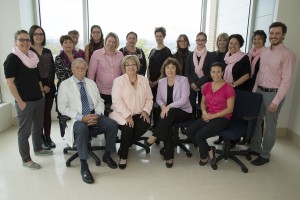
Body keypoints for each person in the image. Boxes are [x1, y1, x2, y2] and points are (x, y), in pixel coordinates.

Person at [57, 58, 119, 184]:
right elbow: (62, 107)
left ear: (86, 70)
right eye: (77, 68)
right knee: (82, 128)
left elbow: (100, 101)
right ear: (72, 70)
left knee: (112, 125)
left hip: (93, 115)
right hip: (76, 118)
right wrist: (81, 117)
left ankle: (107, 155)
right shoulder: (65, 85)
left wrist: (97, 114)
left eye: (83, 68)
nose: (80, 71)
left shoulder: (91, 83)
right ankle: (84, 165)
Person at [4, 30, 53, 170]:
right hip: (24, 101)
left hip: (38, 99)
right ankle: (26, 159)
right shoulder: (12, 59)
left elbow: (37, 78)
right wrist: (19, 102)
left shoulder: (32, 57)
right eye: (21, 39)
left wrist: (42, 93)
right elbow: (10, 83)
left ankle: (38, 149)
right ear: (15, 42)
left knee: (37, 127)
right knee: (24, 132)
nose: (25, 42)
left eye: (27, 39)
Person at [249, 22, 296, 166]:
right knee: (256, 122)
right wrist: (254, 92)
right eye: (271, 33)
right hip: (260, 91)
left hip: (273, 94)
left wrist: (276, 101)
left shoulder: (288, 54)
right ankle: (255, 148)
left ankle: (265, 154)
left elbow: (286, 80)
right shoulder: (265, 52)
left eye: (277, 33)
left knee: (270, 125)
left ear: (283, 35)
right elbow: (259, 74)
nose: (273, 36)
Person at [145, 58, 192, 168]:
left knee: (170, 114)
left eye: (173, 67)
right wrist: (163, 106)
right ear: (164, 69)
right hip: (168, 114)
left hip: (183, 111)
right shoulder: (161, 82)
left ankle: (155, 135)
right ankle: (169, 157)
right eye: (167, 67)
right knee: (168, 124)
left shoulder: (183, 80)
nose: (170, 70)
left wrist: (168, 107)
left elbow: (184, 100)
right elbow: (158, 98)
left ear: (177, 69)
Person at [186, 62, 235, 167]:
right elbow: (203, 103)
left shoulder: (228, 88)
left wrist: (212, 116)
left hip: (222, 118)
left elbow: (230, 109)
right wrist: (204, 112)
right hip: (208, 114)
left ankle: (204, 157)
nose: (215, 74)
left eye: (218, 72)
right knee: (189, 132)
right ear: (210, 73)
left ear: (222, 73)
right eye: (213, 72)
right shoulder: (207, 86)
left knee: (200, 135)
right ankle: (209, 149)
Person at [109, 55, 153, 169]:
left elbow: (149, 98)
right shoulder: (118, 81)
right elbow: (117, 101)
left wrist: (146, 111)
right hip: (120, 113)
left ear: (137, 66)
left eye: (133, 64)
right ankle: (123, 156)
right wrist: (127, 115)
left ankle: (126, 143)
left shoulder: (144, 80)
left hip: (139, 112)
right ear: (124, 67)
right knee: (128, 126)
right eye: (127, 65)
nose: (131, 67)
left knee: (145, 123)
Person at [29, 25, 56, 150]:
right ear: (31, 36)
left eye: (41, 34)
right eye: (36, 34)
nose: (39, 36)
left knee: (47, 114)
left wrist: (48, 85)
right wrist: (40, 86)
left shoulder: (47, 51)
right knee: (38, 116)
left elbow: (52, 69)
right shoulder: (28, 52)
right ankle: (40, 138)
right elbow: (31, 72)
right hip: (35, 87)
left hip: (49, 87)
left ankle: (48, 137)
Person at [88, 32, 124, 105]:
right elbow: (91, 73)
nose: (111, 44)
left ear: (116, 44)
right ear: (105, 41)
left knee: (115, 114)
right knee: (102, 114)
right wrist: (91, 90)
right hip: (101, 91)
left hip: (117, 90)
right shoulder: (97, 53)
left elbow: (124, 72)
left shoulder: (120, 54)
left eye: (114, 42)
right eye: (109, 41)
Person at [147, 27, 171, 130]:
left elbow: (166, 68)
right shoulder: (152, 50)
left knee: (160, 103)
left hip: (161, 81)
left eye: (160, 36)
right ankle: (153, 124)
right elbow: (149, 66)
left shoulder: (167, 51)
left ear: (164, 37)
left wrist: (157, 81)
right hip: (150, 81)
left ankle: (159, 125)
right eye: (157, 36)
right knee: (152, 102)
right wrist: (148, 79)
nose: (158, 38)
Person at [185, 32, 212, 119]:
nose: (200, 42)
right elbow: (187, 72)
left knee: (203, 105)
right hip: (192, 84)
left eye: (202, 40)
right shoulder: (190, 55)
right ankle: (191, 122)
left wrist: (198, 84)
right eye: (198, 40)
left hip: (204, 84)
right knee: (191, 105)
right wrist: (192, 83)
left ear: (206, 41)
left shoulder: (210, 55)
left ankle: (201, 122)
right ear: (196, 41)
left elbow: (210, 73)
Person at [211, 32, 229, 145]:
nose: (221, 42)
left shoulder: (230, 55)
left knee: (226, 111)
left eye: (224, 40)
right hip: (216, 86)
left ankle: (229, 140)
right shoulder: (214, 54)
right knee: (218, 109)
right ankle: (221, 136)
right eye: (219, 40)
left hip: (227, 87)